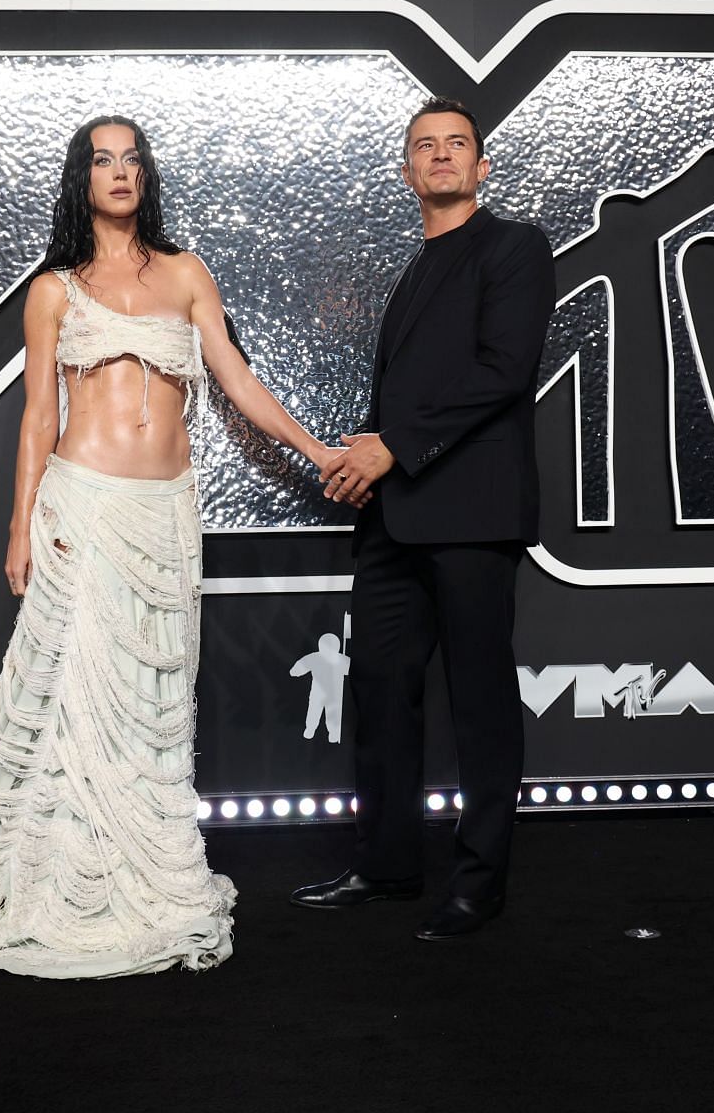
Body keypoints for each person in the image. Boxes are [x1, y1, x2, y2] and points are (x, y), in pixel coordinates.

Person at [0, 116, 337, 983]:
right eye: (104, 160)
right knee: (72, 696)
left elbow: (238, 381)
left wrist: (319, 454)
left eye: (133, 159)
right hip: (83, 507)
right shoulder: (55, 288)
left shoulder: (185, 273)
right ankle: (60, 872)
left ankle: (135, 867)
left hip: (166, 514)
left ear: (147, 177)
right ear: (81, 179)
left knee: (147, 693)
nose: (121, 172)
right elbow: (37, 416)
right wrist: (22, 522)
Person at [293, 97, 554, 940]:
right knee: (380, 692)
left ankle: (482, 882)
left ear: (482, 168)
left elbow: (503, 372)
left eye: (457, 145)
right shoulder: (412, 269)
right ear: (407, 172)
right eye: (424, 147)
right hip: (394, 522)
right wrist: (374, 460)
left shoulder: (514, 247)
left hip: (474, 517)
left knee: (479, 704)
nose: (441, 156)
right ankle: (388, 863)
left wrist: (392, 447)